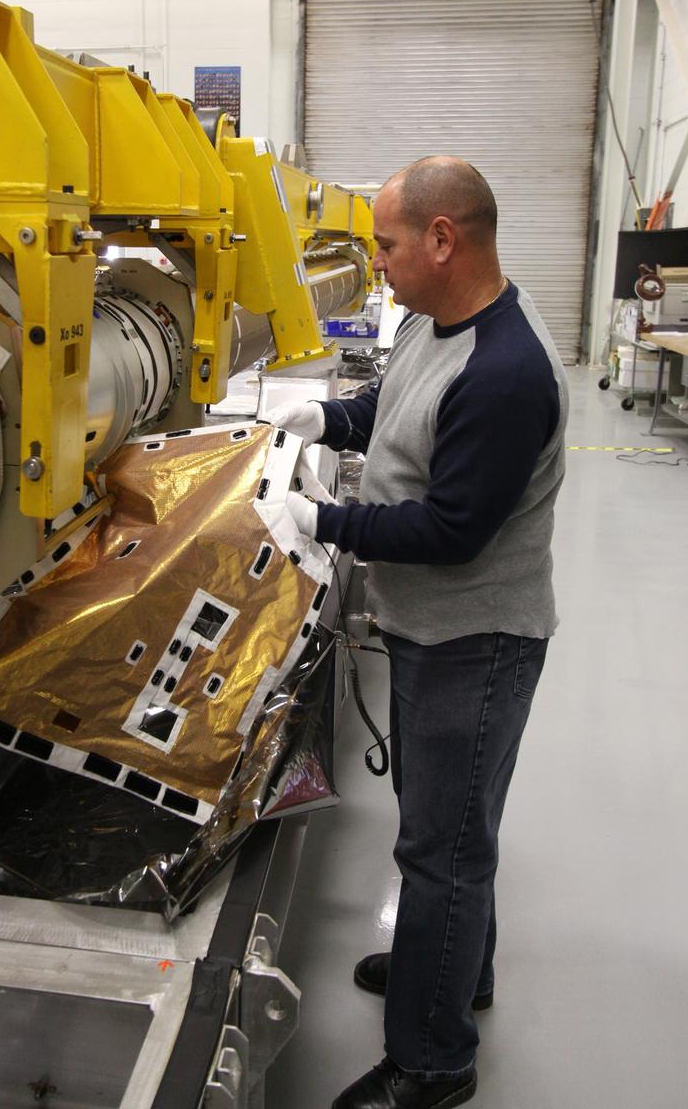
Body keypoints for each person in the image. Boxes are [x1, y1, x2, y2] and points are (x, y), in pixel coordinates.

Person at [271, 157, 568, 1109]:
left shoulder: (507, 370)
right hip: (431, 630)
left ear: (443, 239)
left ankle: (433, 1063)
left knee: (438, 848)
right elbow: (392, 415)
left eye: (388, 244)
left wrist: (322, 522)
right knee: (446, 827)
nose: (379, 263)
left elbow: (449, 530)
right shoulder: (434, 327)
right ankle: (454, 972)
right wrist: (328, 417)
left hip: (472, 639)